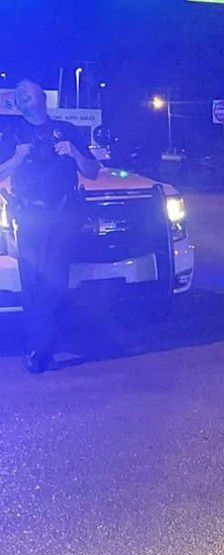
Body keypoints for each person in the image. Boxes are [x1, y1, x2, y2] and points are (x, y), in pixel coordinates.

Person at [0, 79, 99, 374]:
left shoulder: (67, 129)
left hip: (63, 215)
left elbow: (93, 172)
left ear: (42, 97)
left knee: (54, 280)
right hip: (29, 216)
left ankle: (40, 347)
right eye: (18, 94)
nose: (21, 95)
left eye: (26, 91)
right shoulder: (11, 132)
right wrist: (17, 158)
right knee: (32, 284)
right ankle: (40, 350)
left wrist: (74, 153)